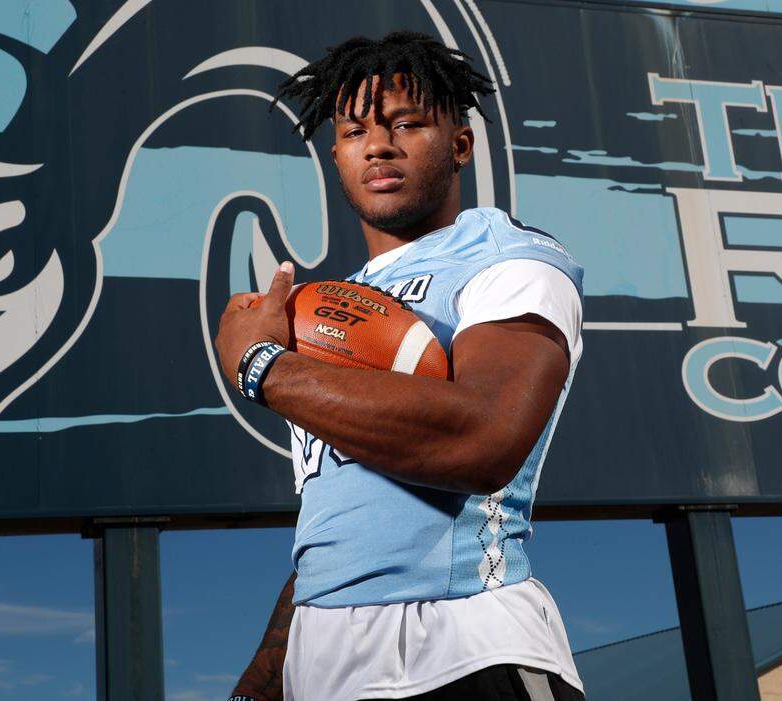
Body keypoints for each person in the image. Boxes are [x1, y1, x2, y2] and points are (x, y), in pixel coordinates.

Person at [214, 31, 585, 701]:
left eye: (407, 124)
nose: (378, 145)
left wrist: (261, 365)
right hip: (324, 673)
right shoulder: (330, 310)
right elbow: (340, 525)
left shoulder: (506, 257)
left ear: (461, 145)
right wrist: (258, 684)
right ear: (337, 158)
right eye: (355, 132)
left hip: (466, 649)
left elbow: (484, 437)